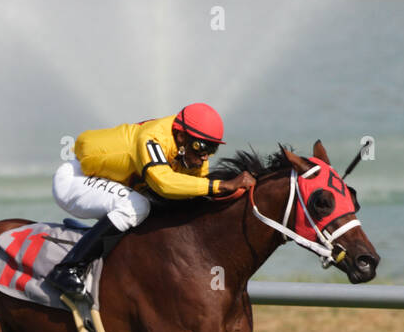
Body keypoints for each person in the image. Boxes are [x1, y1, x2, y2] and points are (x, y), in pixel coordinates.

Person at [46, 103, 255, 317]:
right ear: (181, 137)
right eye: (202, 147)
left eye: (212, 149)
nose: (205, 157)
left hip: (106, 180)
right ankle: (68, 268)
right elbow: (164, 184)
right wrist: (221, 185)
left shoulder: (192, 154)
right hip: (77, 178)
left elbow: (196, 194)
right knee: (137, 206)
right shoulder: (152, 137)